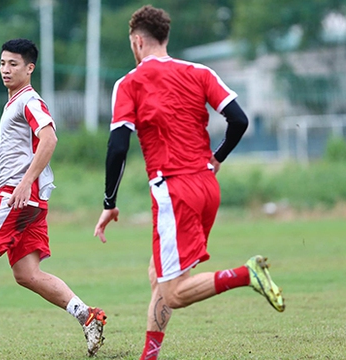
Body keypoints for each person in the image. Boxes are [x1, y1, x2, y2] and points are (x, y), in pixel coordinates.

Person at [93, 6, 285, 360]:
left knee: (175, 293)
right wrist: (219, 156)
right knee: (159, 276)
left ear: (136, 41)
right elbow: (239, 120)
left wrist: (109, 202)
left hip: (174, 190)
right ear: (165, 38)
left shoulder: (130, 82)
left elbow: (117, 147)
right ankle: (149, 356)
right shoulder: (199, 72)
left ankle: (246, 274)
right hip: (207, 186)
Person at [0, 38, 107, 358]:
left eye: (13, 64)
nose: (5, 70)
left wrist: (25, 183)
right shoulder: (13, 102)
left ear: (30, 68)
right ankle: (88, 316)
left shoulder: (30, 101)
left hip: (17, 197)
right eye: (2, 63)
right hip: (26, 197)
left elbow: (49, 138)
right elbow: (17, 158)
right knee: (27, 274)